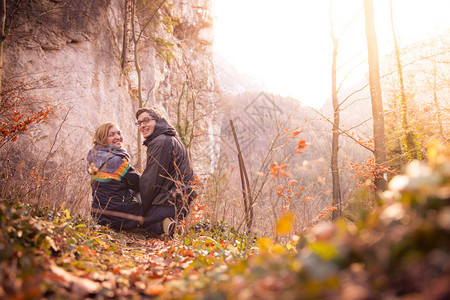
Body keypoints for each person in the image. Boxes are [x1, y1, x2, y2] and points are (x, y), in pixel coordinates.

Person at [136, 107, 196, 236]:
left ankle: (165, 225)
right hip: (179, 203)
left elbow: (150, 181)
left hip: (168, 203)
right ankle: (170, 225)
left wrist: (142, 209)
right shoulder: (170, 139)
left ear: (157, 121)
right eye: (139, 123)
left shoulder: (160, 142)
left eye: (146, 121)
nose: (142, 126)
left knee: (137, 221)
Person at [87, 122, 142, 231]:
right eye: (111, 135)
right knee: (151, 205)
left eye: (119, 133)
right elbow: (140, 184)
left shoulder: (93, 156)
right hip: (120, 217)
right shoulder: (116, 161)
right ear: (102, 139)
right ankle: (163, 226)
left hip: (99, 215)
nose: (117, 137)